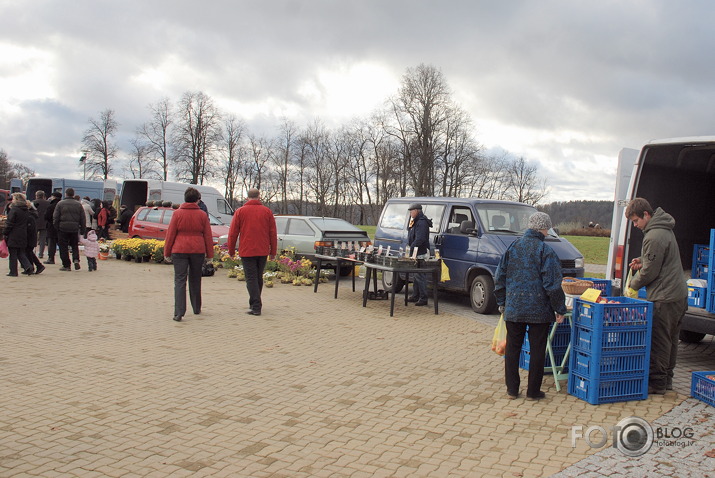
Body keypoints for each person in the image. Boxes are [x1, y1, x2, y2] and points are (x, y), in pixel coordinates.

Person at [494, 212, 566, 401]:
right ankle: (533, 392)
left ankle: (512, 389)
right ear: (544, 229)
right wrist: (560, 308)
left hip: (514, 307)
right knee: (537, 350)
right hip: (539, 311)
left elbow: (499, 277)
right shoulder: (546, 251)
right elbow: (553, 285)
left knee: (512, 349)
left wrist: (502, 302)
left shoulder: (513, 247)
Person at [625, 198, 688, 395]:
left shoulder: (653, 236)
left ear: (646, 214)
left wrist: (632, 285)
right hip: (678, 295)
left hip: (664, 297)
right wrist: (642, 260)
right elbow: (659, 259)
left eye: (636, 221)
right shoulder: (664, 229)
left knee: (660, 341)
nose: (635, 225)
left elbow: (650, 273)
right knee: (671, 339)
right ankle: (667, 379)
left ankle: (657, 384)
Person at [163, 187, 215, 322]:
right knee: (195, 278)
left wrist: (167, 252)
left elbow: (170, 234)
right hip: (197, 249)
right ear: (197, 200)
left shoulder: (177, 214)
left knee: (180, 280)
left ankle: (179, 312)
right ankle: (196, 307)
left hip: (179, 249)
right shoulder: (202, 215)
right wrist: (210, 254)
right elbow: (208, 236)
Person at [227, 188, 277, 316]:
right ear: (259, 196)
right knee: (258, 277)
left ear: (247, 198)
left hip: (247, 249)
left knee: (251, 278)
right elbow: (272, 233)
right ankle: (255, 303)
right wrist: (273, 251)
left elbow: (233, 233)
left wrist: (231, 250)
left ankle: (256, 306)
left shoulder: (240, 212)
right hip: (262, 249)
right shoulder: (267, 212)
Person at [53, 187, 86, 271]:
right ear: (73, 194)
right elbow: (83, 218)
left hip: (62, 228)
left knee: (63, 247)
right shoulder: (78, 204)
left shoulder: (60, 204)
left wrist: (56, 227)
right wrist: (82, 229)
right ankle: (76, 259)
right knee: (74, 245)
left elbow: (56, 217)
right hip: (74, 228)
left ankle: (66, 265)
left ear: (66, 194)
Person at [406, 203, 433, 306]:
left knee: (420, 275)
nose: (410, 213)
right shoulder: (414, 221)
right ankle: (415, 295)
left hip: (420, 252)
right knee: (416, 275)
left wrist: (411, 248)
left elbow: (420, 238)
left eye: (411, 211)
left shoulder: (421, 223)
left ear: (417, 211)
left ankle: (423, 298)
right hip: (415, 252)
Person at [3, 193, 33, 276]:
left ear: (16, 200)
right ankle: (28, 266)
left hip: (14, 233)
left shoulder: (14, 210)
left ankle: (13, 271)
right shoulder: (26, 210)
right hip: (23, 233)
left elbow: (10, 223)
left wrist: (5, 232)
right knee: (21, 252)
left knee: (13, 253)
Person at [25, 200, 45, 274]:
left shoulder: (30, 216)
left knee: (28, 251)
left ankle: (35, 266)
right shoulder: (33, 214)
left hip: (30, 236)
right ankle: (36, 266)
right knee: (29, 251)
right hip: (32, 235)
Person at [43, 191, 62, 264]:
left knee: (51, 243)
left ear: (53, 197)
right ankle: (64, 259)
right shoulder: (62, 205)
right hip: (61, 226)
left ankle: (51, 258)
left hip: (51, 226)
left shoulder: (51, 206)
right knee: (61, 243)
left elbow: (47, 216)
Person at [33, 190, 50, 258]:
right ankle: (41, 254)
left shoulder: (33, 203)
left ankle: (33, 252)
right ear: (43, 196)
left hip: (35, 222)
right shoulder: (48, 203)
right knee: (42, 239)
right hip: (45, 223)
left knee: (33, 238)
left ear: (36, 196)